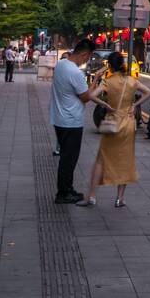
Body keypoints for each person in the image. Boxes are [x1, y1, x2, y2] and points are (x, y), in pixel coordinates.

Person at [80, 52, 150, 208]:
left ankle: (92, 196)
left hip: (112, 122)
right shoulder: (131, 81)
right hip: (127, 123)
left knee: (101, 159)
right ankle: (120, 198)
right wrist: (135, 105)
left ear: (111, 66)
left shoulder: (108, 81)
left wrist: (105, 105)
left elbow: (92, 95)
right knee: (125, 161)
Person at [51, 39, 95, 203]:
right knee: (69, 159)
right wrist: (96, 82)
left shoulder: (61, 64)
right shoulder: (75, 73)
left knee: (66, 156)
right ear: (84, 54)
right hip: (71, 121)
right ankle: (63, 193)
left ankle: (68, 188)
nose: (87, 61)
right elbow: (85, 97)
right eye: (88, 57)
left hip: (59, 118)